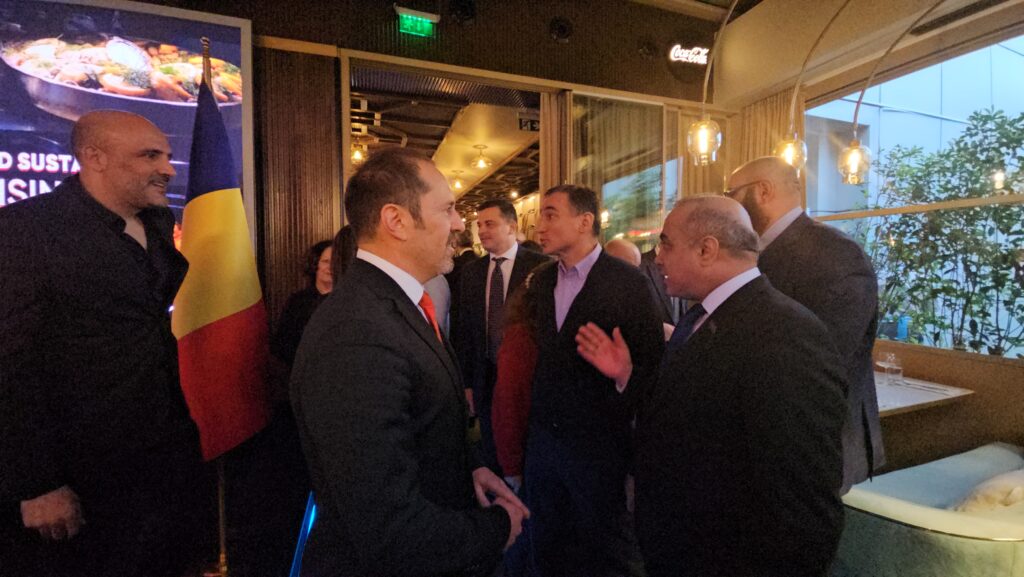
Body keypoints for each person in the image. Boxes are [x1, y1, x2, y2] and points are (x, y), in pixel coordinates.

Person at [577, 195, 847, 577]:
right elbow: (687, 414)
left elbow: (802, 502)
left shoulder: (786, 334)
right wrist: (627, 375)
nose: (657, 258)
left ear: (707, 249)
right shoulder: (701, 317)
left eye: (666, 244)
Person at [289, 147, 528, 577]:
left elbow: (422, 419)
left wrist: (470, 467)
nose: (460, 224)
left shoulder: (394, 304)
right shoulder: (356, 332)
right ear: (396, 221)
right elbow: (388, 528)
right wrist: (497, 527)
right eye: (448, 209)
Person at [0, 110, 205, 576]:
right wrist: (36, 483)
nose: (168, 169)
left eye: (167, 156)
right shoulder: (24, 231)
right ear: (94, 158)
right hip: (79, 477)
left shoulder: (158, 223)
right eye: (149, 156)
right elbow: (9, 364)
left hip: (161, 464)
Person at [526, 184, 664, 577]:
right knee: (548, 545)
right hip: (544, 442)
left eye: (551, 214)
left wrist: (623, 374)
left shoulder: (629, 283)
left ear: (585, 221)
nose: (539, 226)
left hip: (599, 445)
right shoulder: (542, 281)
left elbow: (653, 368)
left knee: (604, 549)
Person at [726, 156, 884, 491]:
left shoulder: (837, 254)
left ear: (763, 191)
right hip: (764, 436)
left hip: (814, 441)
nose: (729, 206)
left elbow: (823, 359)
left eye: (731, 194)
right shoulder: (756, 252)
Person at [454, 198, 548, 475]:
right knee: (491, 444)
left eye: (490, 224)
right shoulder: (471, 272)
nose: (482, 231)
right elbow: (464, 330)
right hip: (484, 374)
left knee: (525, 442)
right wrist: (467, 383)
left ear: (512, 227)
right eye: (479, 225)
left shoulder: (541, 267)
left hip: (524, 376)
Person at [271, 240, 333, 368]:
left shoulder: (346, 302)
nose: (331, 267)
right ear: (315, 264)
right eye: (326, 261)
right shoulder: (297, 302)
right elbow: (282, 343)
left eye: (335, 262)